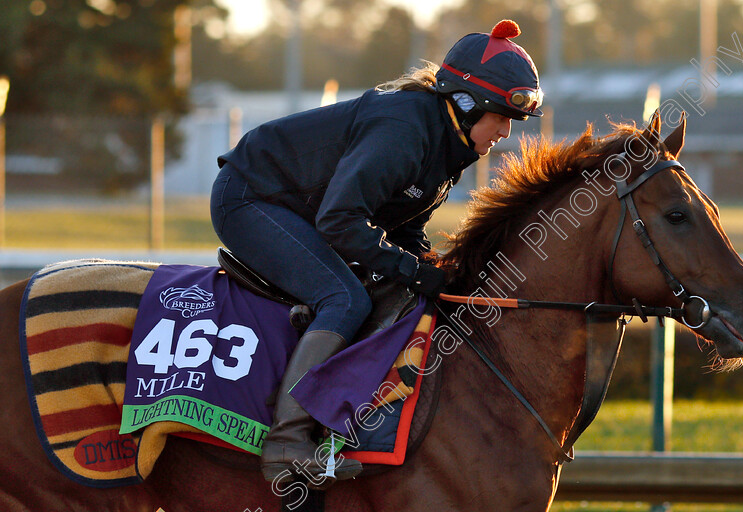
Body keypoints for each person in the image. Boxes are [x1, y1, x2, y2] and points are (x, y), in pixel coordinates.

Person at [210, 19, 544, 486]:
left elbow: (404, 232)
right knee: (345, 299)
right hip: (250, 198)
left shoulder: (447, 147)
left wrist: (431, 271)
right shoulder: (404, 129)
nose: (506, 132)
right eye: (503, 117)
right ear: (467, 105)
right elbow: (340, 221)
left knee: (400, 289)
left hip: (297, 208)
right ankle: (286, 443)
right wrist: (410, 269)